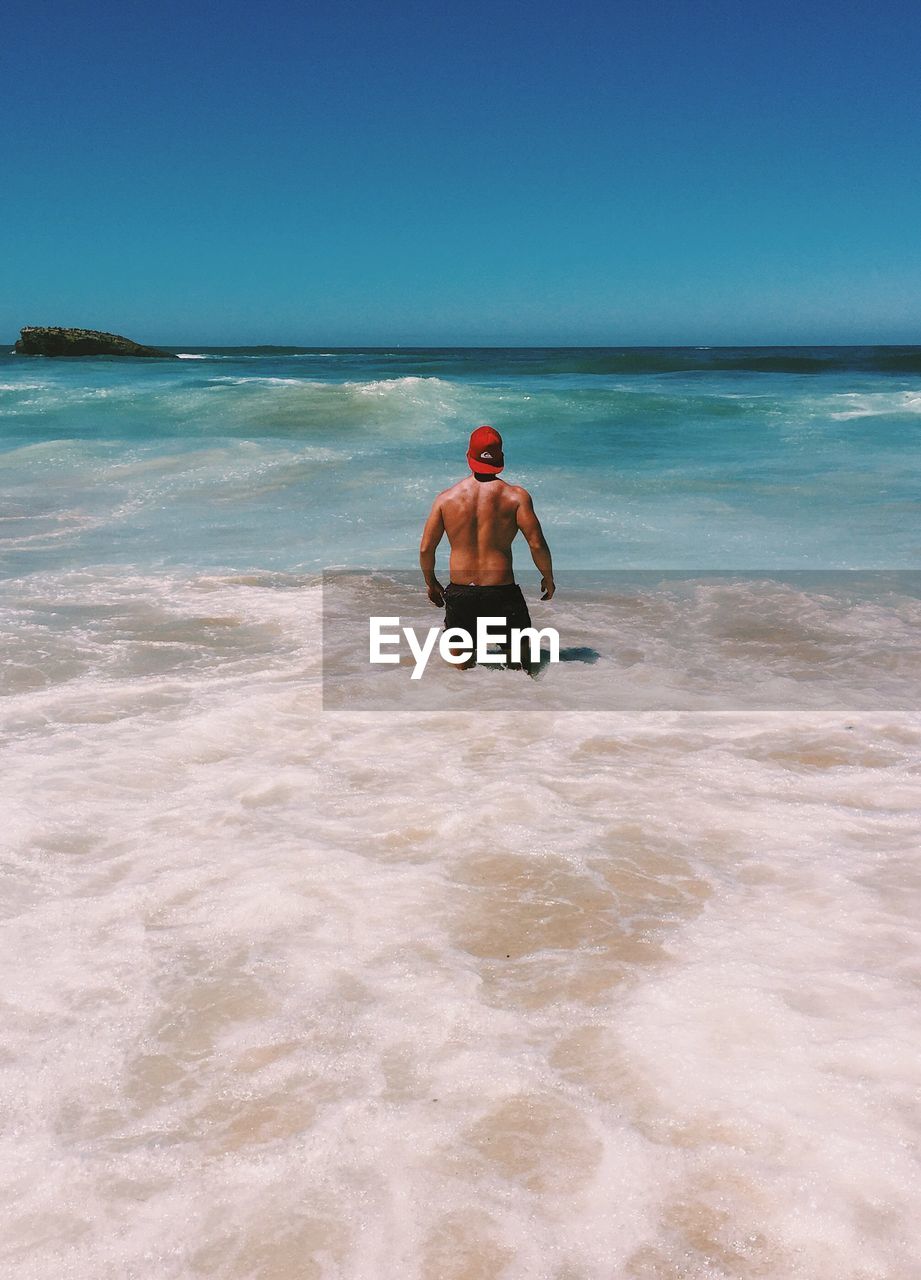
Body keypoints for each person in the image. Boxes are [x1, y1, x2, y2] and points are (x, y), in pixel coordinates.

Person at [419, 425, 554, 670]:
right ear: (501, 458)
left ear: (468, 456)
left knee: (461, 671)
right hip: (502, 594)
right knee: (521, 668)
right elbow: (536, 543)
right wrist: (548, 576)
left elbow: (426, 549)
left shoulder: (446, 499)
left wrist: (431, 583)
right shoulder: (516, 497)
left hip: (461, 594)